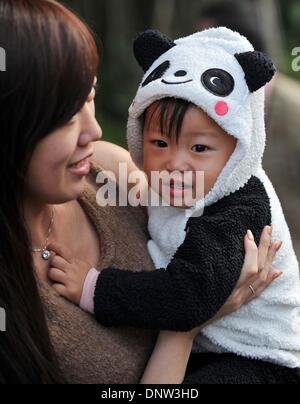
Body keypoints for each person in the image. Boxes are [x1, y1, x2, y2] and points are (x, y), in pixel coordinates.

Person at [0, 0, 281, 384]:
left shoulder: (108, 171)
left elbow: (191, 285)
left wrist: (95, 287)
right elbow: (190, 301)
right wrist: (183, 333)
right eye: (66, 115)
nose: (94, 130)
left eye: (90, 97)